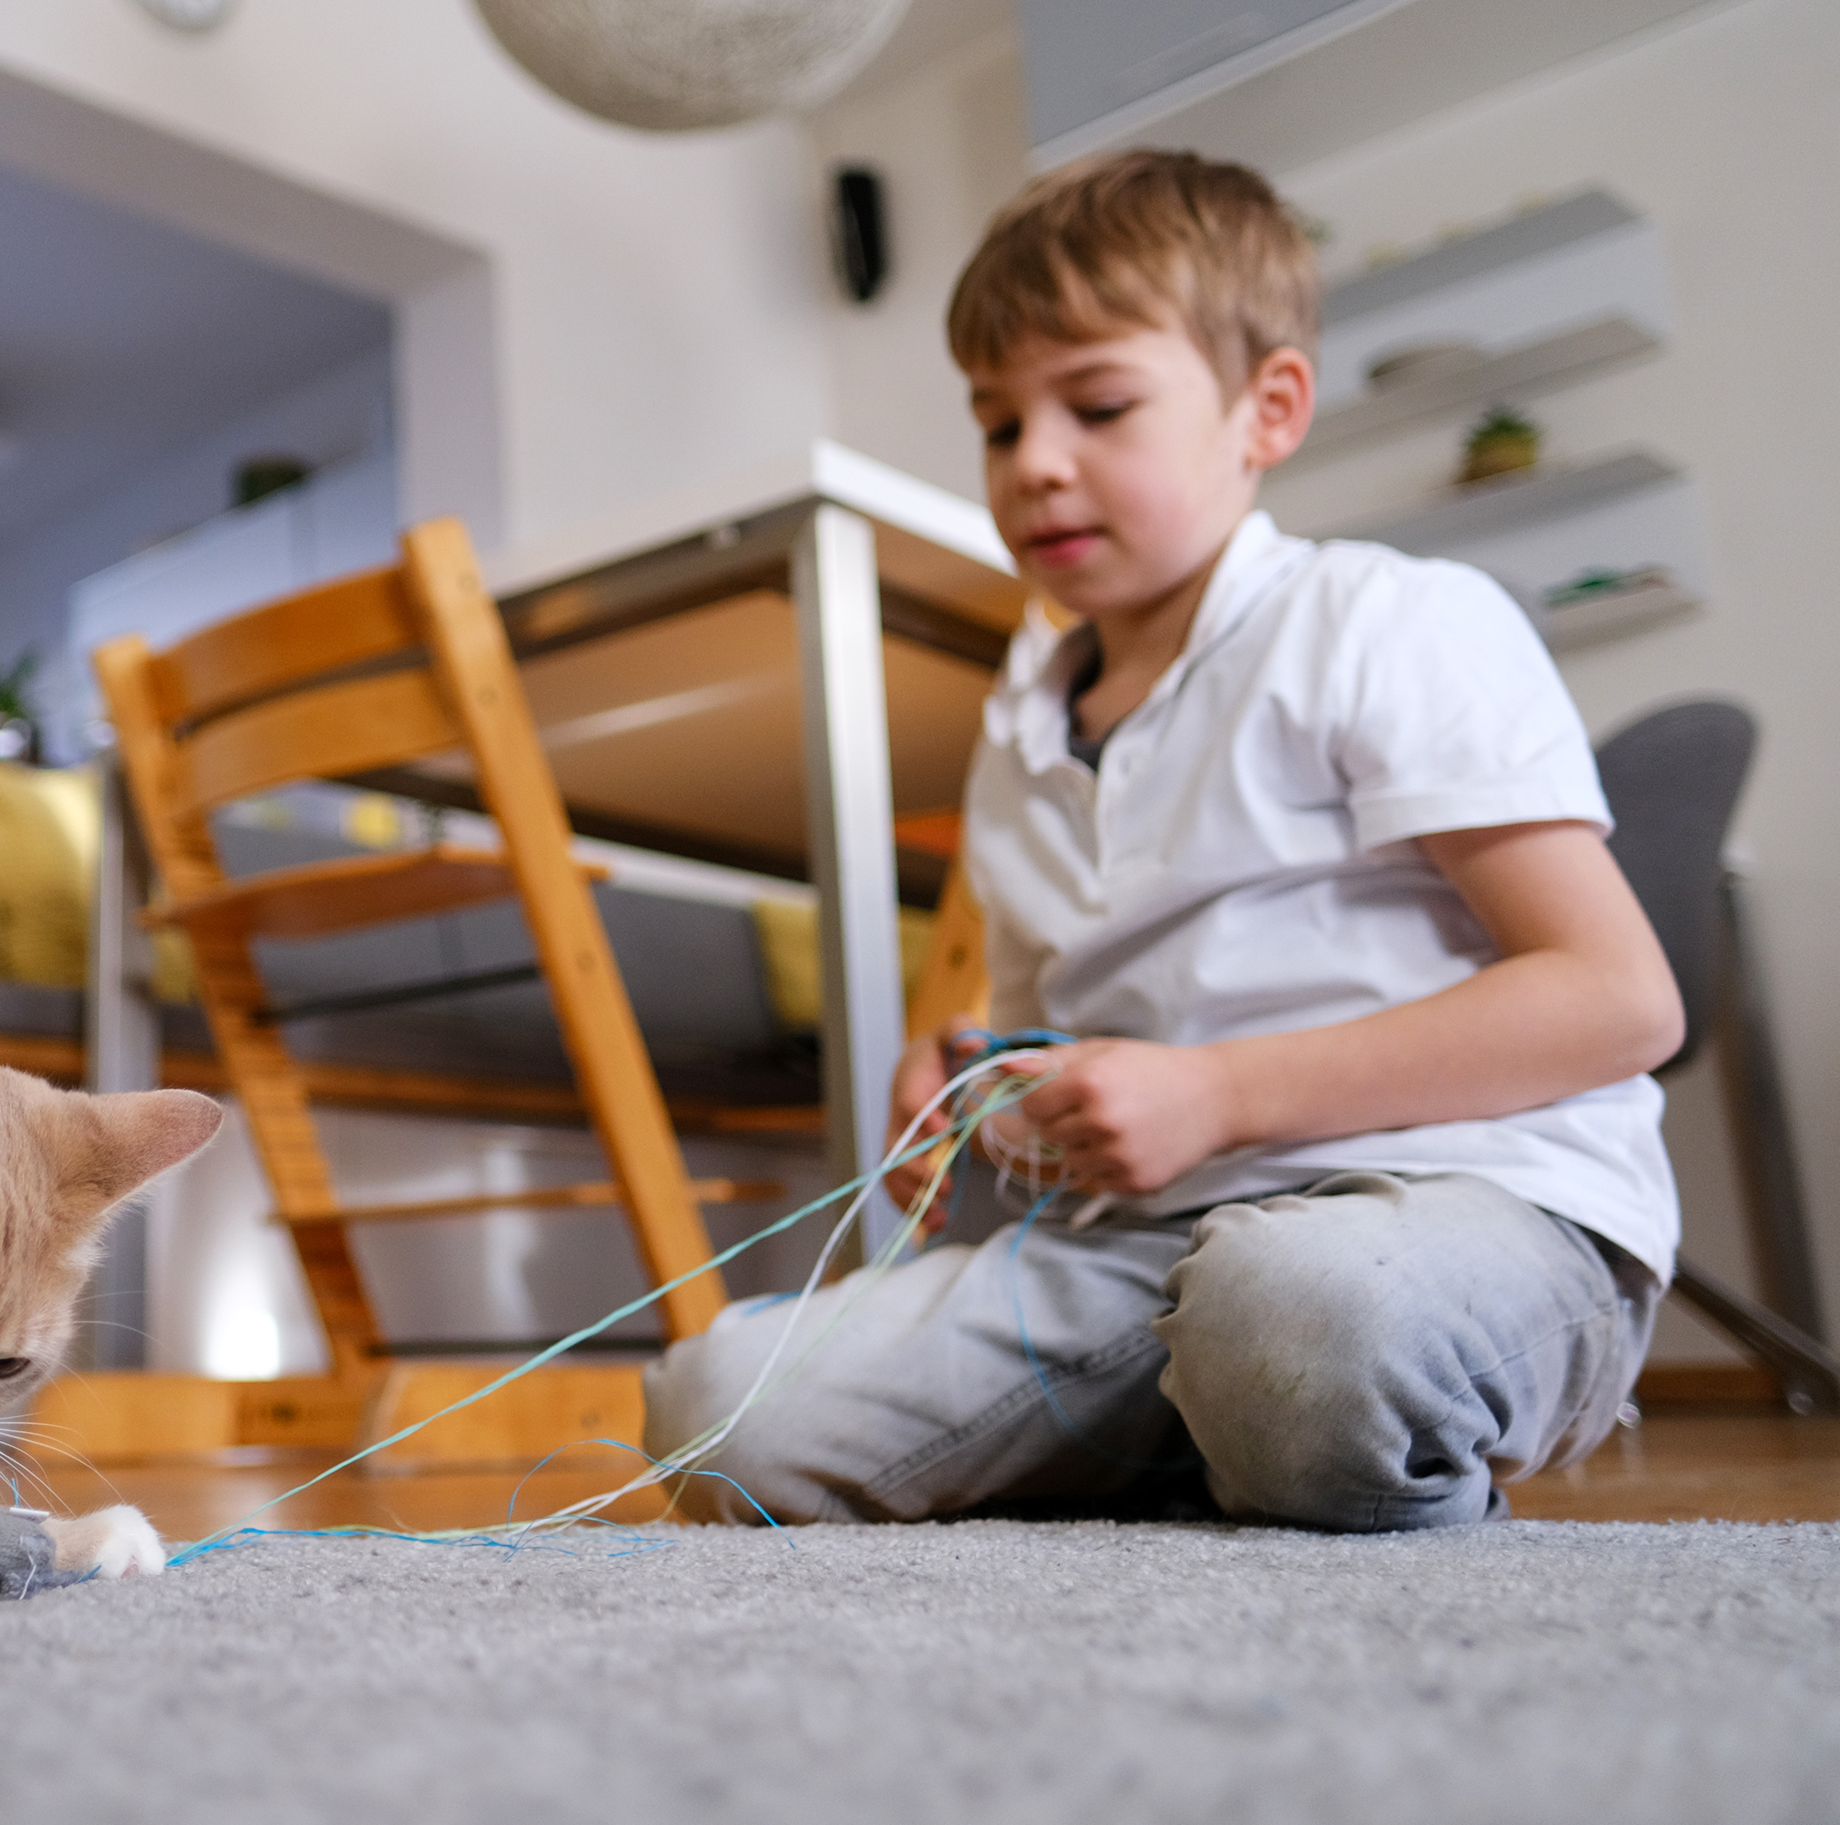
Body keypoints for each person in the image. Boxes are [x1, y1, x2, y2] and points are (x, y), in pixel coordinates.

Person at [643, 151, 1682, 1531]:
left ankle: (1272, 1419)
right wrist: (983, 1091)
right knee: (717, 1408)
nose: (1037, 464)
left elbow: (1617, 999)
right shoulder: (1022, 725)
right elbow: (1055, 1040)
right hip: (1138, 1262)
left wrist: (1224, 1095)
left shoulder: (1389, 621)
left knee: (1298, 1320)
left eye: (1099, 405)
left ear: (1270, 409)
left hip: (1462, 1209)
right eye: (999, 425)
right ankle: (1239, 1441)